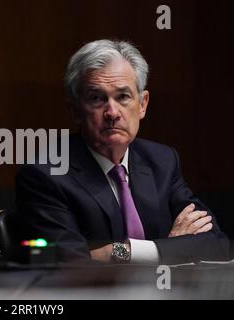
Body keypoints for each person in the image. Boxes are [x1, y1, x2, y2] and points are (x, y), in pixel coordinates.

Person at [15, 39, 229, 265]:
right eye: (97, 98)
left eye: (123, 96)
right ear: (75, 111)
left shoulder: (162, 162)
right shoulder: (45, 175)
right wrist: (171, 248)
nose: (112, 112)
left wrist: (122, 251)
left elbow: (216, 245)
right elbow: (71, 265)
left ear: (142, 104)